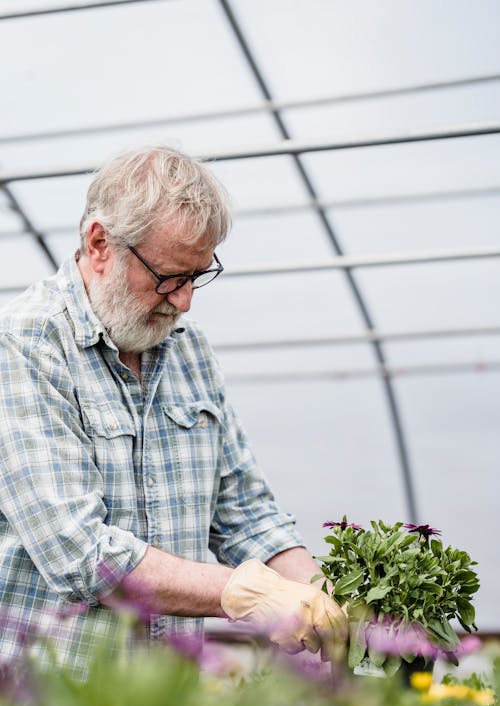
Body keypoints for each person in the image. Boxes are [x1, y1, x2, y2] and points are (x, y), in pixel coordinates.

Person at [0, 146, 346, 675]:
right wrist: (244, 592)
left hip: (166, 702)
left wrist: (315, 591)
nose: (184, 301)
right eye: (169, 277)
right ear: (100, 244)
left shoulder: (189, 351)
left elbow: (243, 512)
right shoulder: (26, 344)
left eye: (197, 277)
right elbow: (78, 553)